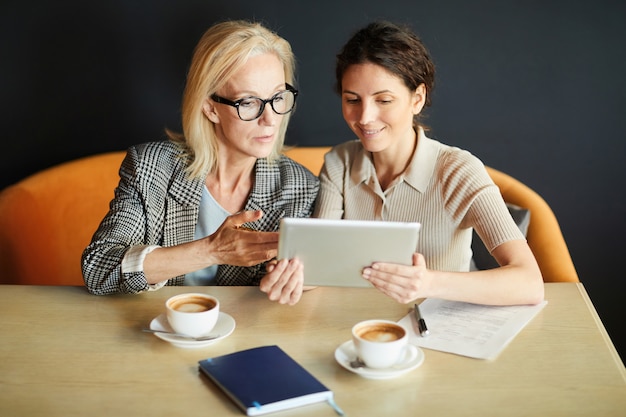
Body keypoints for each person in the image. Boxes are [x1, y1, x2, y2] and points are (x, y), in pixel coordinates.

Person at [82, 20, 319, 305]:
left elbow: (298, 280)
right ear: (210, 108)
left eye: (278, 98)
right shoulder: (150, 168)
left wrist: (297, 281)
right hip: (156, 328)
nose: (270, 119)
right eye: (248, 102)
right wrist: (211, 250)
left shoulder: (300, 187)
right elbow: (98, 269)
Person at [314, 21, 544, 306]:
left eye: (384, 100)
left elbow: (530, 283)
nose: (364, 117)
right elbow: (317, 265)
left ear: (418, 98)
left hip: (442, 325)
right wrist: (292, 275)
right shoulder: (339, 163)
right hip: (358, 321)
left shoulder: (458, 170)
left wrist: (427, 283)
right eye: (352, 100)